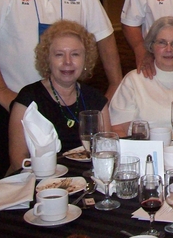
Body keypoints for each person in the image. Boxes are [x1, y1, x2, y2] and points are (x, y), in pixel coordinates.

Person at [8, 20, 110, 173]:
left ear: (86, 60)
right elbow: (18, 161)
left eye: (75, 54)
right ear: (47, 60)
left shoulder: (96, 100)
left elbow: (105, 154)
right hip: (38, 181)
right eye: (59, 55)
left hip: (87, 181)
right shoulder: (28, 100)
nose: (67, 62)